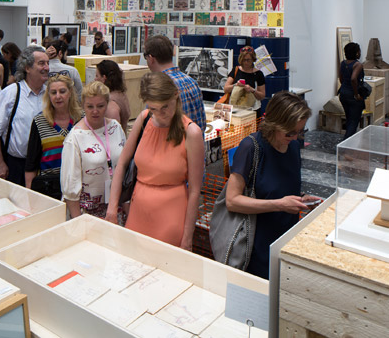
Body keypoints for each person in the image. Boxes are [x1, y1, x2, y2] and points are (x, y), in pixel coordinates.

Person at [224, 91, 319, 279]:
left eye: (300, 132)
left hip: (285, 238)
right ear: (275, 124)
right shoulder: (251, 147)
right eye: (290, 132)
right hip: (256, 243)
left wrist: (301, 199)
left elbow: (280, 186)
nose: (294, 137)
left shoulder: (292, 146)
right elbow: (232, 201)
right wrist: (279, 204)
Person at [106, 72, 205, 250]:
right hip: (138, 212)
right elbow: (121, 163)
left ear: (175, 95)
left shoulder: (191, 133)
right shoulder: (144, 119)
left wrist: (187, 238)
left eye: (165, 107)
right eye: (154, 109)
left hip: (171, 216)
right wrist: (112, 207)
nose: (160, 114)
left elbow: (195, 190)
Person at [61, 81, 126, 219]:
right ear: (83, 106)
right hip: (87, 213)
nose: (95, 111)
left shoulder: (115, 127)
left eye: (100, 106)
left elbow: (125, 166)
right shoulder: (75, 138)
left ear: (107, 104)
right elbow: (70, 188)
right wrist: (78, 222)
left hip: (115, 207)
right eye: (90, 106)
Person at [0, 45, 49, 185]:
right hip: (16, 166)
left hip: (45, 165)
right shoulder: (10, 94)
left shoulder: (50, 94)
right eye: (41, 63)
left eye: (47, 63)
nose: (46, 67)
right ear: (27, 68)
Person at [24, 75, 81, 199]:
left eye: (62, 91)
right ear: (48, 95)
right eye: (53, 92)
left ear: (70, 92)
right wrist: (29, 194)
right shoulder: (39, 122)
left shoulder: (82, 120)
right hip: (50, 187)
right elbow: (31, 162)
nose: (58, 96)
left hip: (79, 185)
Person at [144, 35, 206, 132]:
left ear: (151, 58)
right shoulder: (192, 82)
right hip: (194, 144)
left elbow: (151, 129)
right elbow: (202, 125)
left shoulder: (157, 87)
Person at [224, 45, 266, 117]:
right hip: (235, 109)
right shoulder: (236, 70)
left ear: (253, 59)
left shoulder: (258, 74)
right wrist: (235, 85)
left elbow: (262, 96)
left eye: (248, 60)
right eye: (244, 60)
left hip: (252, 111)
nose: (246, 62)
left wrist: (252, 90)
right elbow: (225, 89)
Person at [338, 42, 366, 140]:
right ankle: (346, 144)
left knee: (349, 119)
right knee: (354, 122)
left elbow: (341, 78)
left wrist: (345, 87)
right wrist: (356, 94)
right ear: (357, 53)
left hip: (343, 93)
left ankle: (346, 142)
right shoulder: (357, 64)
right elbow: (353, 79)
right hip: (353, 96)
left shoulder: (343, 63)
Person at [95, 60, 131, 133]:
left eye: (97, 76)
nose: (95, 79)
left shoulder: (111, 102)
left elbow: (112, 132)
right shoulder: (120, 93)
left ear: (104, 78)